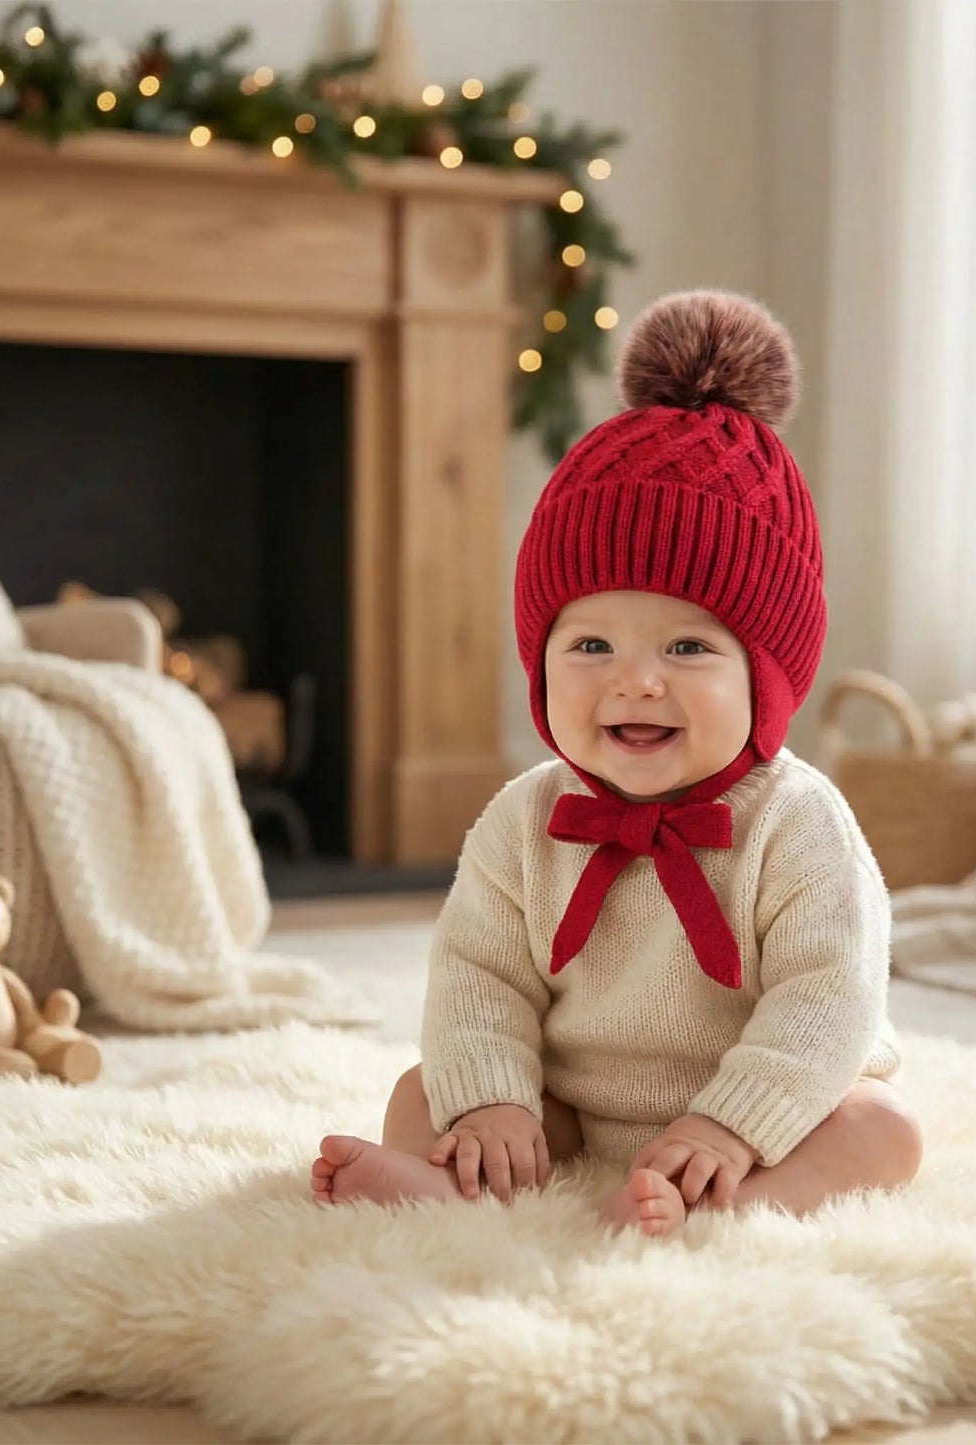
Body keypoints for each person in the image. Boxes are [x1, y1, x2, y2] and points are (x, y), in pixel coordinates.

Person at [312, 290, 921, 1235]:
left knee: (883, 1131)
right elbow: (479, 974)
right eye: (590, 645)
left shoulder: (797, 822)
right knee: (425, 1090)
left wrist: (730, 1127)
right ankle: (460, 1190)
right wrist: (494, 1099)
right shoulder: (523, 818)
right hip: (571, 1100)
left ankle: (721, 1205)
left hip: (764, 1110)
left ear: (767, 678)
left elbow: (827, 998)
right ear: (540, 663)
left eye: (687, 647)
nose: (635, 681)